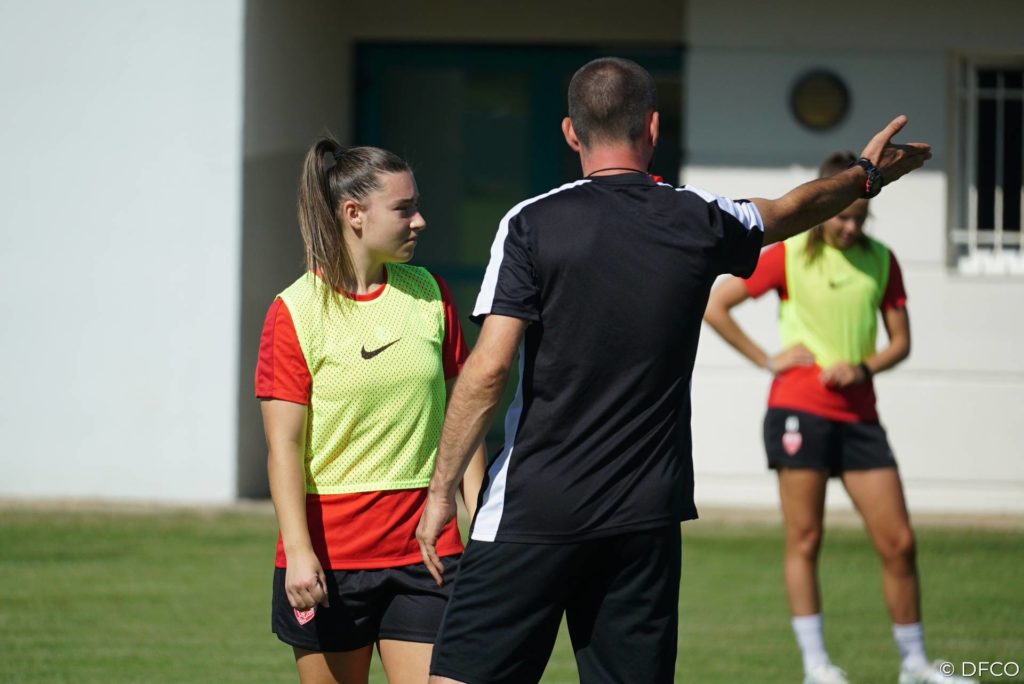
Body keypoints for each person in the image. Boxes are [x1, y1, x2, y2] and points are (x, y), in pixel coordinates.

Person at [415, 57, 931, 684]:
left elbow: (489, 369)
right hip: (645, 514)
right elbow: (794, 209)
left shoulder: (529, 223)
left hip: (534, 508)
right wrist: (866, 176)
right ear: (653, 129)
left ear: (571, 133)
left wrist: (441, 490)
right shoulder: (699, 217)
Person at [703, 152, 976, 684]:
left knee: (899, 541)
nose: (849, 226)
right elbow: (716, 306)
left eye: (859, 218)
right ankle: (816, 667)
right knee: (805, 540)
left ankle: (914, 665)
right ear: (826, 206)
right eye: (841, 216)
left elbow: (900, 344)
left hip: (860, 419)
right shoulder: (788, 255)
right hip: (798, 412)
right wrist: (767, 359)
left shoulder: (882, 260)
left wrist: (864, 366)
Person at [255, 138, 486, 684]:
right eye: (404, 209)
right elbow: (282, 447)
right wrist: (298, 550)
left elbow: (465, 414)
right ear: (354, 214)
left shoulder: (431, 294)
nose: (420, 221)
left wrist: (480, 519)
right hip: (330, 560)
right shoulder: (295, 312)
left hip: (428, 550)